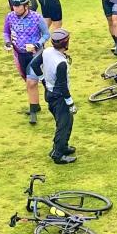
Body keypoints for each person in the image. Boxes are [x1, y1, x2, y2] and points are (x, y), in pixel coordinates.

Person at [3, 0, 48, 125]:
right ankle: (36, 105)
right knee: (27, 81)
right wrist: (7, 42)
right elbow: (6, 32)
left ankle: (33, 111)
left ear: (26, 6)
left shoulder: (37, 18)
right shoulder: (10, 17)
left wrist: (37, 44)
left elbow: (46, 34)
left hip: (35, 55)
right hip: (19, 54)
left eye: (18, 6)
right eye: (13, 5)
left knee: (31, 82)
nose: (15, 8)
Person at [36, 28, 77, 164]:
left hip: (50, 93)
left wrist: (43, 80)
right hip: (59, 97)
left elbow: (34, 65)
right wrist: (70, 103)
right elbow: (62, 86)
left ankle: (63, 146)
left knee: (66, 121)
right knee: (63, 125)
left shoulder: (47, 51)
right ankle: (58, 154)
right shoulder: (61, 63)